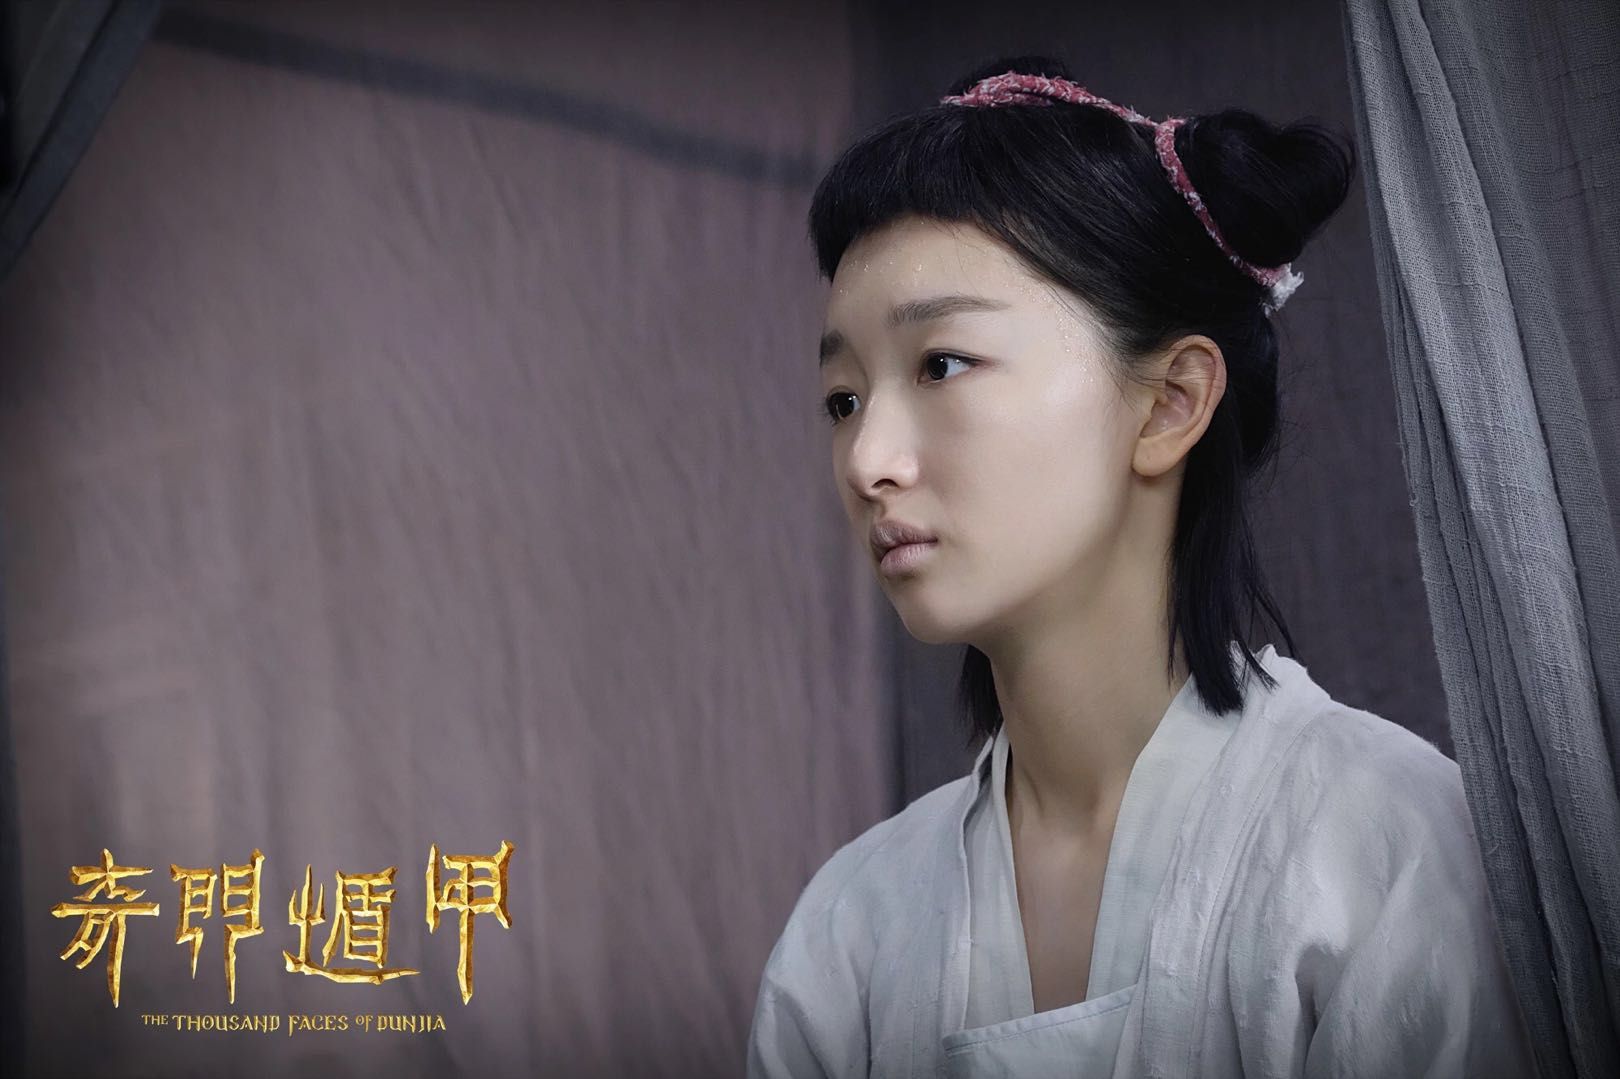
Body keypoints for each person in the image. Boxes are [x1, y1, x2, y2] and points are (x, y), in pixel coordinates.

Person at [745, 54, 1539, 1079]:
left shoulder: (1387, 852)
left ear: (1170, 401)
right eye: (842, 400)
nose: (867, 461)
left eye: (942, 363)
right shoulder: (847, 932)